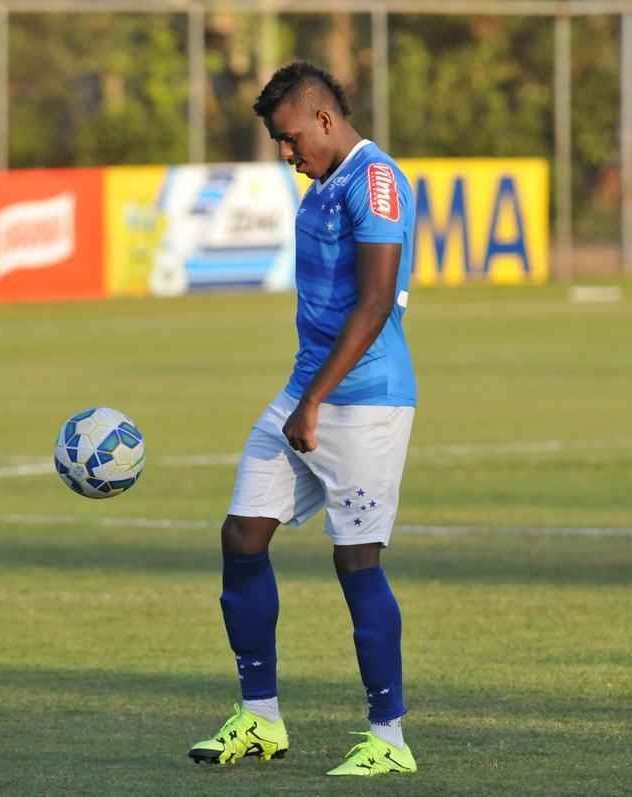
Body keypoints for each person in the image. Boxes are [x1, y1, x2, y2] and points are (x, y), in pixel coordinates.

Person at [186, 61, 418, 777]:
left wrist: (314, 400)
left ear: (324, 118)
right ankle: (260, 719)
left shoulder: (376, 182)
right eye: (278, 144)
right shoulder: (321, 188)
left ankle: (389, 738)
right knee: (241, 534)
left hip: (365, 400)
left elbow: (375, 303)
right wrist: (305, 395)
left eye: (291, 139)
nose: (287, 154)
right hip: (306, 389)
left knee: (356, 561)